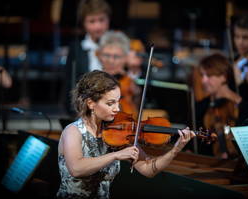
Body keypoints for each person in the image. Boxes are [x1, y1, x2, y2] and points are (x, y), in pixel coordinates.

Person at [56, 70, 195, 199]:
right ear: (91, 103)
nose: (117, 108)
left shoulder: (117, 135)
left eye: (118, 101)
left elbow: (148, 169)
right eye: (110, 103)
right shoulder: (73, 131)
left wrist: (175, 149)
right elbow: (76, 169)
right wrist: (115, 155)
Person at [64, 0, 111, 116]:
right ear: (83, 24)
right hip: (87, 112)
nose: (98, 26)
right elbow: (70, 84)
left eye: (101, 20)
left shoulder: (118, 46)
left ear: (108, 19)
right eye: (92, 21)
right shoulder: (77, 48)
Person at [195, 53, 243, 159]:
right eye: (202, 75)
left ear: (224, 77)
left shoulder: (242, 107)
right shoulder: (201, 106)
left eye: (209, 76)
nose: (203, 80)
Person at [97, 30, 141, 118]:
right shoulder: (94, 81)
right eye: (106, 55)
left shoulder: (130, 80)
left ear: (125, 58)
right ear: (99, 56)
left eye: (116, 56)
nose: (111, 61)